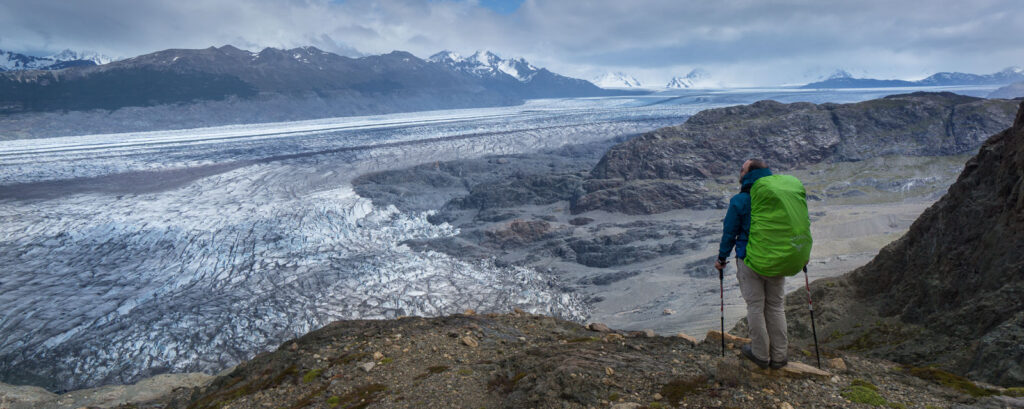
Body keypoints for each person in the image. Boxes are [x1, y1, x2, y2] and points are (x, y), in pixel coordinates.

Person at [715, 158, 788, 370]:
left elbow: (730, 232)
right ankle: (780, 357)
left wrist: (721, 258)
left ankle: (761, 355)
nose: (739, 172)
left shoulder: (740, 200)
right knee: (775, 306)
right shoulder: (778, 195)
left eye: (742, 169)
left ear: (749, 173)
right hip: (777, 259)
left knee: (756, 306)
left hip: (750, 259)